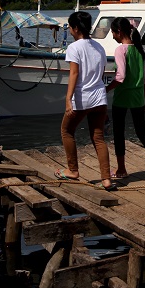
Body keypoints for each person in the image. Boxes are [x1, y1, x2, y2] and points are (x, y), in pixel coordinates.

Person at [106, 17, 145, 181]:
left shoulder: (121, 50)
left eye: (113, 32)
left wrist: (104, 90)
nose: (113, 36)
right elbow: (144, 80)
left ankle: (121, 169)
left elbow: (120, 77)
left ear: (119, 32)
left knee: (119, 133)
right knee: (141, 131)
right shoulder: (139, 51)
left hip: (122, 97)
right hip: (138, 97)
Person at [55, 11, 114, 191]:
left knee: (66, 131)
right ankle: (106, 179)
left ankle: (73, 170)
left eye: (71, 29)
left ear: (75, 28)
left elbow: (74, 73)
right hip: (99, 98)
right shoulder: (99, 47)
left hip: (83, 98)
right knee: (98, 138)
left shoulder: (75, 48)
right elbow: (102, 73)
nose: (71, 32)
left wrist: (68, 99)